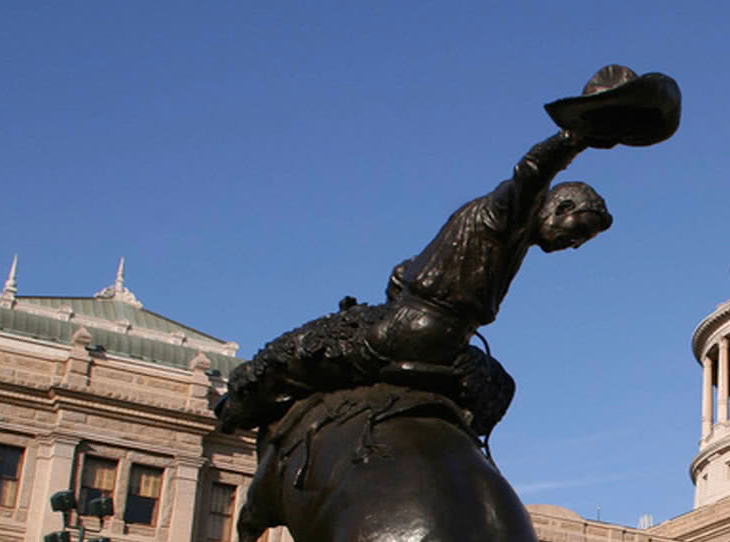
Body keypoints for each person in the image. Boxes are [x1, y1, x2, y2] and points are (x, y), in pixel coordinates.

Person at [215, 66, 678, 436]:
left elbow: (401, 273)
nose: (573, 246)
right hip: (425, 336)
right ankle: (230, 408)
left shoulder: (509, 234)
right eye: (576, 232)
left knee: (291, 354)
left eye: (583, 242)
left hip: (425, 334)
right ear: (558, 206)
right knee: (293, 352)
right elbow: (531, 171)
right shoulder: (508, 214)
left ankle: (239, 403)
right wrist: (577, 136)